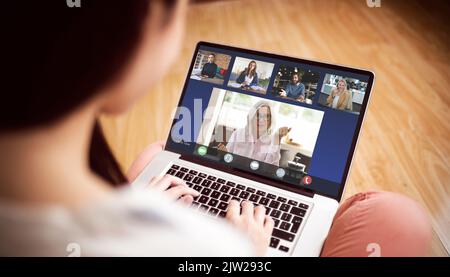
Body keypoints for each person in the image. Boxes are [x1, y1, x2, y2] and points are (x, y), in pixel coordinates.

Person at [0, 1, 431, 257]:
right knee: (398, 217)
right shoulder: (207, 248)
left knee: (160, 155)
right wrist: (243, 254)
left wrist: (130, 204)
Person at [217, 101, 290, 166]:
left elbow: (271, 170)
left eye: (266, 116)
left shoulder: (273, 141)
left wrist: (277, 138)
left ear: (271, 120)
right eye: (258, 115)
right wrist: (224, 154)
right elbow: (227, 160)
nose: (261, 120)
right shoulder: (237, 134)